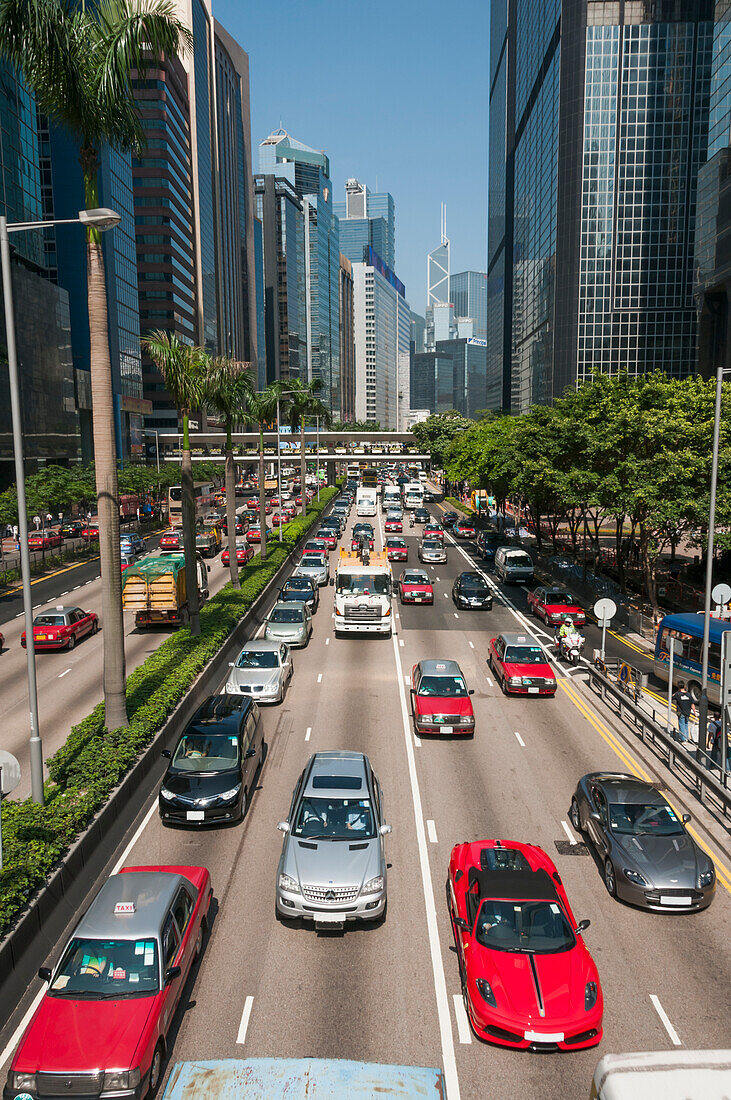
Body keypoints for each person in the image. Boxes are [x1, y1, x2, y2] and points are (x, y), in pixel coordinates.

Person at [672, 680, 695, 745]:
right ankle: (686, 738)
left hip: (681, 712)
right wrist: (694, 712)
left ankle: (683, 739)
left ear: (678, 687)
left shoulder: (677, 694)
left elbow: (672, 696)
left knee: (681, 725)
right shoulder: (689, 694)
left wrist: (677, 691)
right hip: (688, 713)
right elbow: (692, 704)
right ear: (684, 686)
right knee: (686, 724)